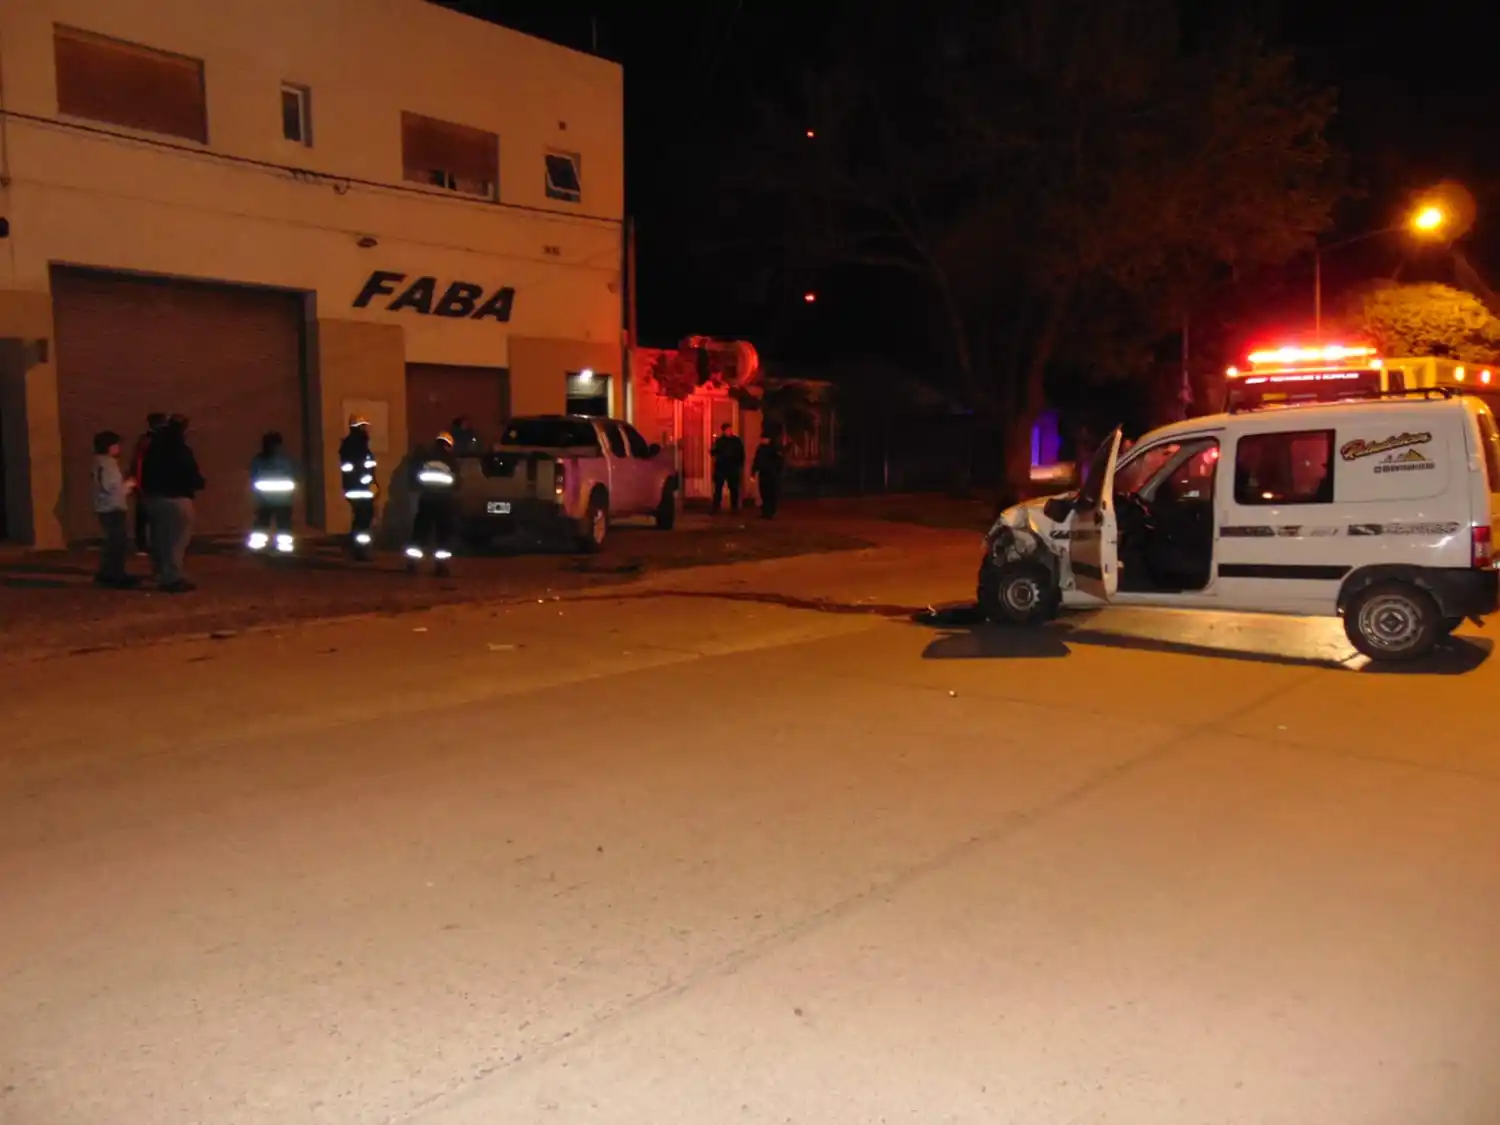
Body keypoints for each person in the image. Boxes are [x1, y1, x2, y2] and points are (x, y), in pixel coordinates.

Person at [140, 414, 204, 593]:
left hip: (155, 499)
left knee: (160, 540)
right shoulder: (180, 449)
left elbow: (143, 471)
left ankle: (160, 573)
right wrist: (198, 483)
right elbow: (191, 475)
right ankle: (172, 578)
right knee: (176, 541)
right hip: (177, 499)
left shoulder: (152, 447)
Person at [405, 431, 458, 577]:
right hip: (443, 502)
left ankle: (412, 563)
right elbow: (457, 482)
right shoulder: (450, 460)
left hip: (426, 500)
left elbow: (415, 477)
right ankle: (441, 566)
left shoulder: (425, 457)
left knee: (420, 531)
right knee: (443, 535)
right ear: (449, 445)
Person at [91, 430, 137, 588]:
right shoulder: (108, 464)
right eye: (116, 445)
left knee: (111, 542)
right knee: (117, 543)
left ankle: (106, 572)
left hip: (104, 506)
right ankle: (116, 575)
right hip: (112, 506)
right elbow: (111, 487)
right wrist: (129, 485)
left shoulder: (98, 462)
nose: (119, 448)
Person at [247, 431, 298, 554]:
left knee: (262, 523)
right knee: (283, 524)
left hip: (265, 500)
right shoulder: (287, 459)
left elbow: (253, 476)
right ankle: (284, 547)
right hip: (283, 500)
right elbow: (295, 475)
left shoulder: (259, 459)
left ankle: (258, 546)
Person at [339, 413, 379, 559]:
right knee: (364, 520)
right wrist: (368, 482)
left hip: (358, 488)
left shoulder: (354, 444)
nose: (366, 430)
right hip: (359, 489)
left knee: (361, 520)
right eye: (364, 427)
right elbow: (356, 468)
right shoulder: (356, 445)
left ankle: (354, 546)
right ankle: (359, 550)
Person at [128, 413, 165, 556]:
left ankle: (144, 545)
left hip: (151, 484)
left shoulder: (146, 441)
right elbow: (138, 463)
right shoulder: (149, 441)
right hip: (151, 485)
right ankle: (144, 545)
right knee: (147, 516)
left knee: (146, 516)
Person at [710, 422, 745, 513]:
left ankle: (734, 506)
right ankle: (716, 505)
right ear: (724, 431)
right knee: (718, 488)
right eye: (728, 430)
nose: (730, 431)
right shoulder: (720, 441)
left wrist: (739, 464)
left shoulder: (736, 441)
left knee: (733, 488)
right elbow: (714, 452)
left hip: (732, 467)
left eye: (730, 429)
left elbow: (741, 453)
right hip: (721, 467)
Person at [752, 431, 786, 519]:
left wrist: (777, 471)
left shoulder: (773, 449)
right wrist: (753, 471)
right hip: (764, 473)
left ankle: (770, 512)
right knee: (764, 493)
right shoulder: (760, 449)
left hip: (771, 474)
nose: (762, 440)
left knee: (770, 493)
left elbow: (779, 461)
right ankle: (765, 511)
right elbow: (756, 461)